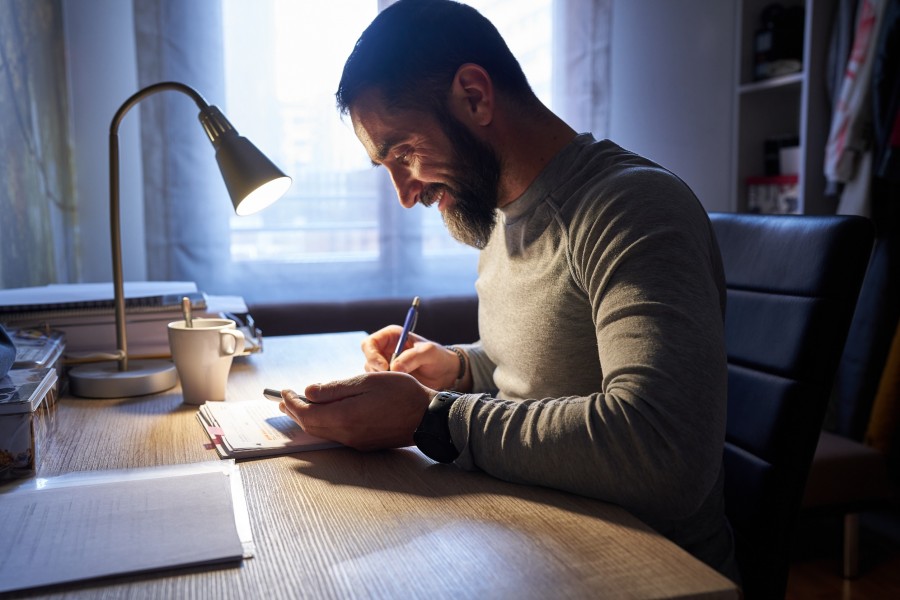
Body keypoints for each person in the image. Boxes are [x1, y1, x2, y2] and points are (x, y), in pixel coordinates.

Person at [278, 0, 738, 582]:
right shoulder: (499, 219)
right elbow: (542, 370)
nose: (404, 192)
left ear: (474, 94)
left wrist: (433, 419)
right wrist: (458, 368)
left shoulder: (632, 208)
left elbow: (663, 451)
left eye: (403, 153)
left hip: (646, 571)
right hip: (534, 539)